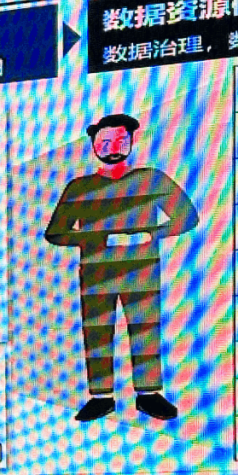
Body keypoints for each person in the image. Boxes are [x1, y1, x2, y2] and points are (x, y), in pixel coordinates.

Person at [44, 113, 198, 422]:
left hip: (142, 271)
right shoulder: (79, 187)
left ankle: (148, 394)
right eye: (104, 142)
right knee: (97, 332)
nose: (112, 148)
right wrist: (99, 238)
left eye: (119, 141)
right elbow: (55, 232)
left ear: (131, 141)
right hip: (96, 273)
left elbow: (187, 216)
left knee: (145, 330)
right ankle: (101, 397)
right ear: (93, 145)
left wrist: (152, 233)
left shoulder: (151, 179)